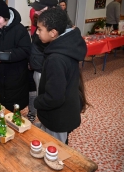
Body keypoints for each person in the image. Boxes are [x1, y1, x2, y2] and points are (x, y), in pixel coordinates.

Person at [34, 8, 88, 144]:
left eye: (40, 29)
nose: (37, 32)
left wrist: (37, 102)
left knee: (55, 152)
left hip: (58, 117)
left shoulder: (56, 59)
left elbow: (54, 97)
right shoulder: (68, 46)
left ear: (53, 33)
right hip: (66, 110)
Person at [27, 0, 59, 123]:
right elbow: (36, 45)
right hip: (37, 66)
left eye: (41, 9)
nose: (37, 12)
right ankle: (39, 119)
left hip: (44, 69)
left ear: (52, 8)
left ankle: (43, 122)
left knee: (45, 97)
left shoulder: (56, 29)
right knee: (37, 94)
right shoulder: (42, 24)